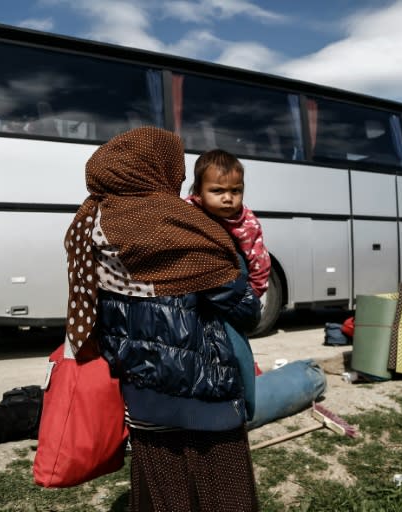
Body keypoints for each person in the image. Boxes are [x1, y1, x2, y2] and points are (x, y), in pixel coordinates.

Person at [64, 127, 261, 511]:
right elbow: (245, 311)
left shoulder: (91, 224)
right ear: (160, 168)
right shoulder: (183, 225)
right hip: (208, 396)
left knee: (164, 496)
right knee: (227, 495)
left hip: (142, 397)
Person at [186, 149, 271, 298]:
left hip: (232, 295)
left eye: (236, 191)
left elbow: (260, 262)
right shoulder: (187, 211)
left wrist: (252, 296)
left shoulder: (247, 223)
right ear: (199, 192)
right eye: (217, 191)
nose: (228, 198)